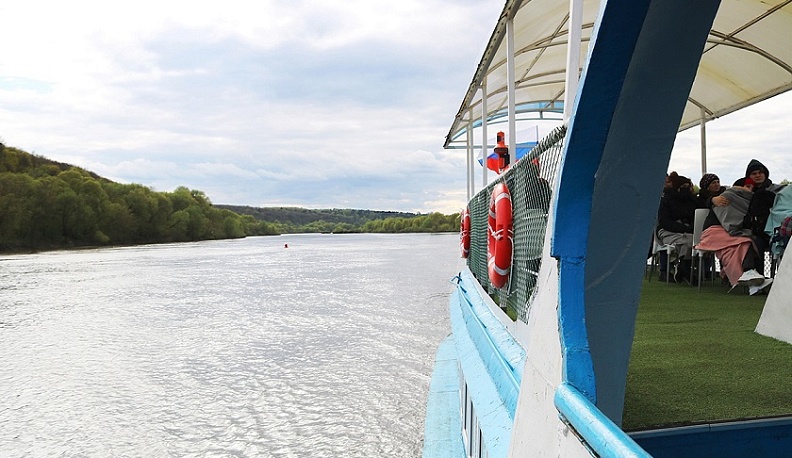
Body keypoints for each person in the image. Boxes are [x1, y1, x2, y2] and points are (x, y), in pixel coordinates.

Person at [697, 177, 772, 295]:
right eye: (747, 186)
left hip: (728, 233)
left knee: (738, 247)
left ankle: (752, 284)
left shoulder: (749, 202)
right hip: (714, 232)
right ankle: (748, 272)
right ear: (739, 187)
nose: (750, 189)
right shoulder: (727, 197)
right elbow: (730, 220)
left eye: (752, 187)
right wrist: (711, 200)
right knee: (745, 241)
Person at [656, 172, 697, 283]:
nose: (687, 189)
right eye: (683, 187)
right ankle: (681, 269)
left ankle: (684, 269)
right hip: (667, 231)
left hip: (686, 231)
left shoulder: (692, 201)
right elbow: (664, 221)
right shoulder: (666, 199)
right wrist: (683, 228)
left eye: (688, 186)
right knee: (686, 241)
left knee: (692, 241)